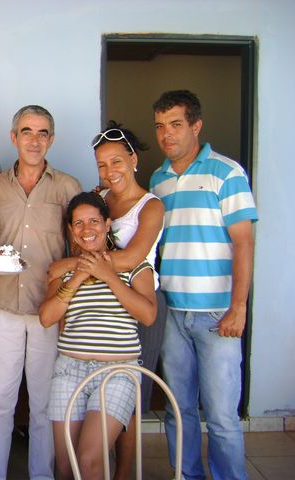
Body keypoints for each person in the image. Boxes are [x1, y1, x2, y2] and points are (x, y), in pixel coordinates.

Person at [47, 121, 165, 479]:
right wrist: (71, 270)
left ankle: (123, 473)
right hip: (91, 302)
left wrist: (70, 266)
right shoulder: (99, 200)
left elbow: (130, 258)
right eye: (101, 164)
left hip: (136, 293)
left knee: (130, 402)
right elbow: (82, 238)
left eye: (116, 161)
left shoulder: (150, 205)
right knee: (77, 449)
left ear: (133, 160)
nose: (109, 170)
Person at [150, 90, 257, 480]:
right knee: (179, 409)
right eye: (160, 126)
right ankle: (187, 475)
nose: (167, 134)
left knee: (222, 414)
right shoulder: (158, 179)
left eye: (176, 124)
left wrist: (238, 307)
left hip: (217, 314)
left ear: (196, 126)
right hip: (172, 311)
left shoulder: (227, 173)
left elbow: (244, 242)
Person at [0, 105, 82, 479]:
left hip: (48, 311)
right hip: (2, 306)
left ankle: (42, 475)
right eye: (27, 131)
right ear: (14, 137)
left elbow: (81, 247)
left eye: (42, 133)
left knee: (44, 403)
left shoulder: (67, 187)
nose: (34, 140)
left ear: (51, 140)